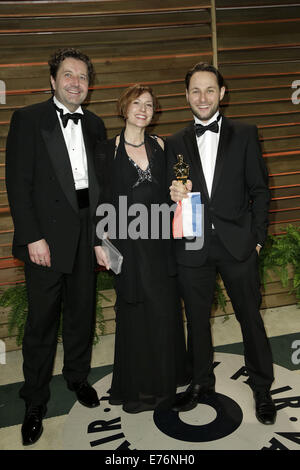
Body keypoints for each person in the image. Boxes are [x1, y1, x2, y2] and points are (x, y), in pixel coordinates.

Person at [5, 48, 106, 445]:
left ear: (89, 85)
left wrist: (101, 235)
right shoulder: (28, 119)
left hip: (86, 231)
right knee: (42, 323)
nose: (75, 83)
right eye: (68, 75)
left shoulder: (96, 124)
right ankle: (35, 400)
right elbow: (18, 182)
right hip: (45, 235)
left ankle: (77, 378)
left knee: (81, 313)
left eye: (82, 77)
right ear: (52, 80)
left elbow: (101, 187)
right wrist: (32, 236)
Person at [167, 62, 276, 425]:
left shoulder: (245, 133)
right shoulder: (174, 142)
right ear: (186, 96)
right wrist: (172, 194)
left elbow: (260, 190)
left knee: (250, 318)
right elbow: (170, 199)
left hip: (238, 245)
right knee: (196, 322)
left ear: (222, 93)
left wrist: (257, 239)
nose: (203, 97)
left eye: (210, 90)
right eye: (195, 91)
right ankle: (201, 384)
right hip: (193, 246)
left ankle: (262, 388)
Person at [95, 84, 188, 414]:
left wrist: (179, 192)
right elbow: (98, 200)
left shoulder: (163, 146)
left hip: (161, 242)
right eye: (136, 103)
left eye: (149, 104)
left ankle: (165, 387)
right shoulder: (106, 150)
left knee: (164, 313)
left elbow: (174, 189)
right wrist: (98, 242)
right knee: (134, 313)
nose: (143, 109)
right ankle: (136, 391)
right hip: (126, 245)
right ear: (124, 107)